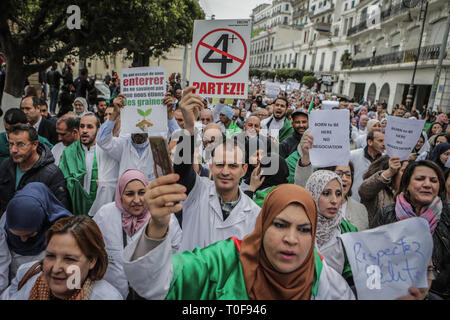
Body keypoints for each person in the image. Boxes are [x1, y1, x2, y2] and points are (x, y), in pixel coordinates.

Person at [122, 181, 355, 300]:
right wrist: (158, 226)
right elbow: (155, 283)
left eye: (304, 230)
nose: (291, 239)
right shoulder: (224, 262)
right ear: (262, 226)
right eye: (280, 225)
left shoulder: (322, 277)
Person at [171, 87, 261, 252]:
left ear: (244, 169)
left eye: (233, 166)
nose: (225, 171)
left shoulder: (255, 214)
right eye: (220, 164)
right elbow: (182, 168)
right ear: (211, 166)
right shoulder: (197, 192)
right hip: (193, 277)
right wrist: (189, 127)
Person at [93, 169, 181, 299]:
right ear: (120, 194)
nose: (137, 200)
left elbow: (177, 253)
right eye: (129, 194)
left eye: (142, 193)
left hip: (152, 292)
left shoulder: (163, 217)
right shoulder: (104, 215)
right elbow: (91, 247)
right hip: (114, 292)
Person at [371, 160, 450, 299]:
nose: (427, 184)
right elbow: (372, 257)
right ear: (406, 184)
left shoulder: (448, 213)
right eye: (420, 179)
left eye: (433, 180)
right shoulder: (387, 214)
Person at [1, 215, 122, 300]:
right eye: (51, 256)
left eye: (69, 259)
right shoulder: (29, 277)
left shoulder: (107, 297)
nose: (56, 268)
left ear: (91, 261)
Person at [0, 183, 72, 292]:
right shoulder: (7, 220)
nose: (23, 240)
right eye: (16, 235)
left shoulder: (64, 232)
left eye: (29, 235)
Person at [0, 125, 70, 214]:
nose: (13, 150)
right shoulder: (6, 166)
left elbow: (59, 213)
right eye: (11, 144)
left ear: (34, 145)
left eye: (20, 144)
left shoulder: (52, 174)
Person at [305, 170, 357, 281]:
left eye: (338, 194)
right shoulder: (300, 227)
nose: (334, 201)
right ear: (313, 193)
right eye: (326, 193)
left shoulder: (346, 230)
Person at [96, 95, 156, 182]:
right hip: (127, 193)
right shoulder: (123, 144)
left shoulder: (156, 145)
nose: (138, 131)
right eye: (135, 126)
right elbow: (102, 140)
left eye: (142, 125)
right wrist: (115, 113)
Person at [59, 113, 100, 216]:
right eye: (82, 126)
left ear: (98, 130)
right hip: (74, 211)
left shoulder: (105, 152)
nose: (84, 130)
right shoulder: (69, 153)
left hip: (100, 209)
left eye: (89, 127)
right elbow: (62, 183)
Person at [359, 155, 409, 227]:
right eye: (404, 170)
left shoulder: (408, 192)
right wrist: (389, 172)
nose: (407, 174)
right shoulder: (378, 191)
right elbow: (364, 190)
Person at [350, 130, 385, 202]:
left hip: (377, 202)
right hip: (356, 199)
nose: (384, 144)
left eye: (385, 141)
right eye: (380, 141)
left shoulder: (385, 159)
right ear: (370, 142)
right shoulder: (353, 155)